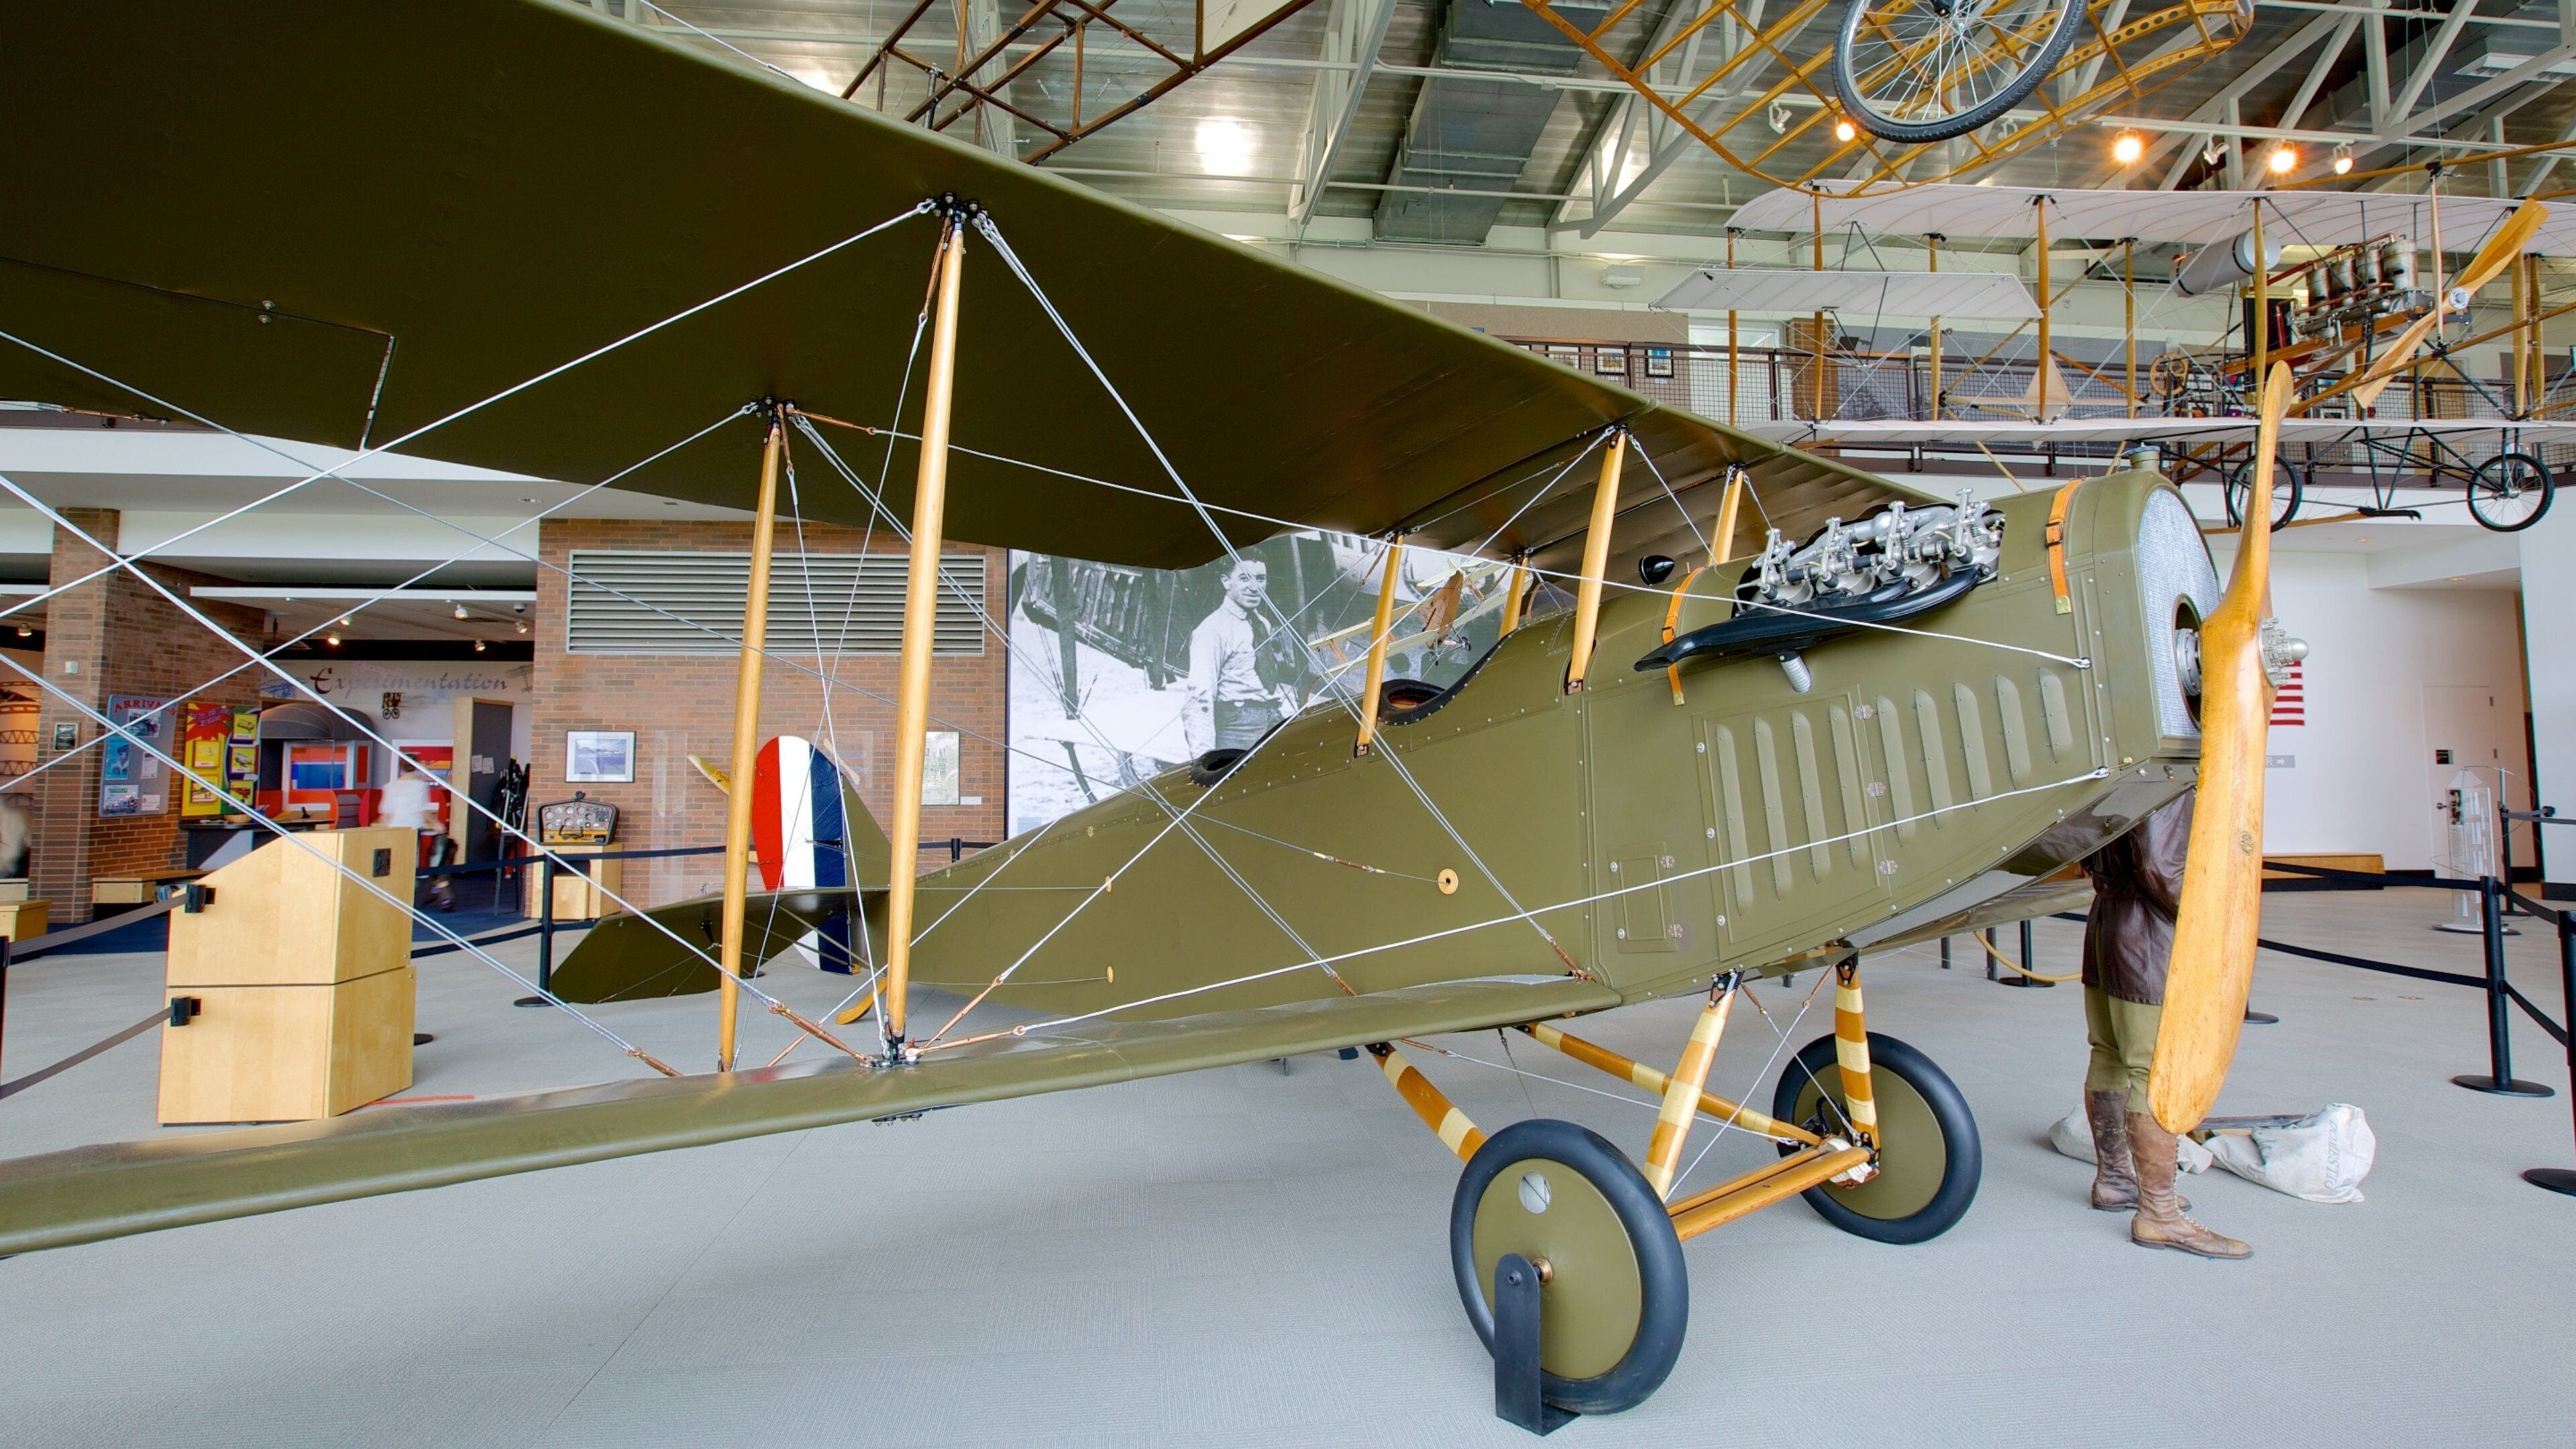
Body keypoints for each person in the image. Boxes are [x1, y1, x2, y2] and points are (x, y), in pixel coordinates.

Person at [2079, 790, 2249, 1259]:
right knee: (2151, 1069)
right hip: (2149, 932)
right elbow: (2161, 865)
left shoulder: (2120, 761)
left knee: (2111, 1054)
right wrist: (2213, 925)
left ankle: (2115, 1180)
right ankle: (2160, 1213)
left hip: (2108, 918)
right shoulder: (2173, 768)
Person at [1184, 557, 1301, 755]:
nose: (1255, 587)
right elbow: (1199, 698)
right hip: (1237, 728)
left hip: (1271, 718)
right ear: (1226, 581)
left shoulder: (1262, 623)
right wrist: (1204, 760)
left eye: (1261, 578)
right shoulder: (1212, 630)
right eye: (1245, 578)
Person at [377, 767, 457, 912]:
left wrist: (382, 830)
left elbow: (387, 812)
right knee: (411, 864)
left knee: (395, 864)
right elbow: (421, 810)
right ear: (415, 768)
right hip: (412, 828)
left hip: (394, 829)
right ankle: (419, 894)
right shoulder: (419, 786)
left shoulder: (390, 786)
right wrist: (436, 824)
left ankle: (397, 898)